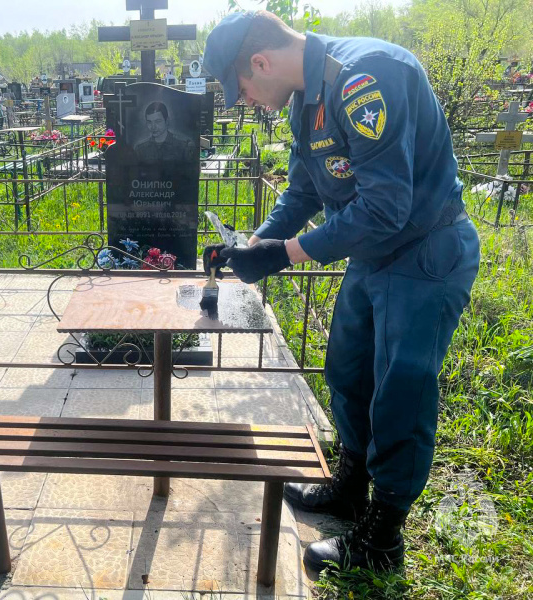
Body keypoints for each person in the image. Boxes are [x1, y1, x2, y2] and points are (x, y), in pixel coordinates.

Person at [202, 11, 480, 578]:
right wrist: (252, 243)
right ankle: (351, 486)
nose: (247, 101)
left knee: (401, 391)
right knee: (346, 370)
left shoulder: (363, 78)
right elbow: (304, 189)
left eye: (244, 89)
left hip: (425, 252)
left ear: (261, 62)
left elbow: (385, 207)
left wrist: (282, 255)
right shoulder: (308, 97)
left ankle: (383, 537)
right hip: (373, 256)